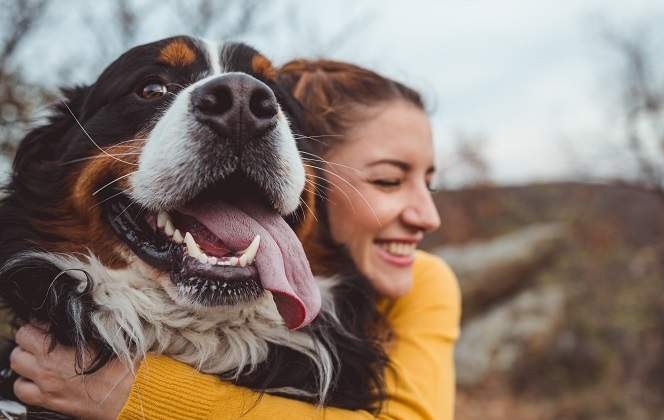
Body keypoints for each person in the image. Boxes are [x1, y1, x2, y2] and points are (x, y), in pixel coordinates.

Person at [10, 59, 461, 420]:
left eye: (430, 183)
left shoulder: (425, 281)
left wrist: (136, 397)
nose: (429, 217)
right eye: (387, 180)